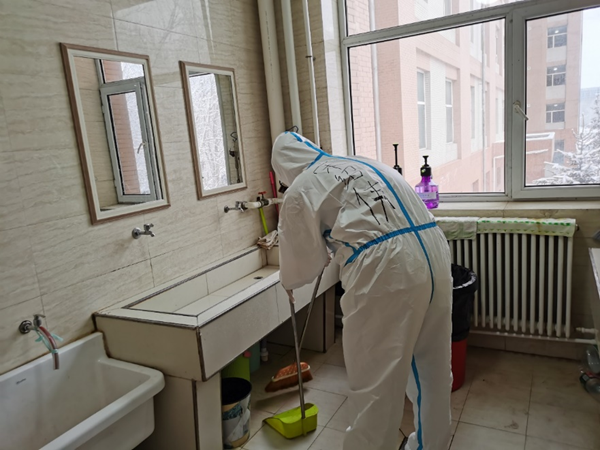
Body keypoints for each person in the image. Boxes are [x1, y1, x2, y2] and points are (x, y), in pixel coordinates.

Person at [272, 132, 453, 450]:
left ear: (284, 169)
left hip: (387, 269)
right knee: (433, 369)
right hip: (433, 249)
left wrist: (289, 281)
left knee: (375, 387)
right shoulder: (362, 162)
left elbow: (303, 263)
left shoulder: (302, 186)